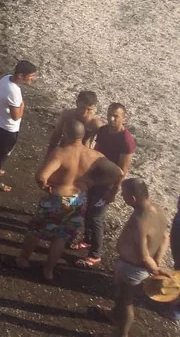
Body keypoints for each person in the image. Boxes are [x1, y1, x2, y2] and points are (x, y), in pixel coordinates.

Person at [9, 120, 123, 281]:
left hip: (57, 198)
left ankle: (22, 260)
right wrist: (94, 182)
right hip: (78, 200)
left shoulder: (61, 152)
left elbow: (41, 176)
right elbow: (118, 173)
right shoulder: (95, 156)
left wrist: (45, 187)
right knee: (61, 236)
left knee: (36, 230)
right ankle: (48, 270)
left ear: (66, 134)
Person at [89, 179, 171, 336]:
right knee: (121, 297)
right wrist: (158, 259)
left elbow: (143, 255)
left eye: (123, 194)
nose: (122, 196)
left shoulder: (139, 220)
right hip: (137, 267)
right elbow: (165, 237)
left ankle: (122, 334)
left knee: (126, 302)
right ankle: (114, 314)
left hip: (132, 268)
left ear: (132, 198)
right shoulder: (158, 209)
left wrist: (155, 269)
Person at [75, 103, 136, 268]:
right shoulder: (102, 131)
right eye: (110, 114)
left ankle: (95, 254)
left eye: (116, 116)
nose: (111, 118)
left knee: (96, 216)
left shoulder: (126, 140)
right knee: (87, 209)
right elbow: (96, 151)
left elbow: (123, 170)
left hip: (107, 184)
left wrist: (114, 191)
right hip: (94, 177)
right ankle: (87, 239)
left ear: (125, 118)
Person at [0, 60, 38, 192]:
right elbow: (16, 116)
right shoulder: (14, 92)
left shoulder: (6, 78)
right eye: (31, 75)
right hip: (8, 128)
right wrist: (22, 106)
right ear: (20, 75)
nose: (33, 78)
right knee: (2, 153)